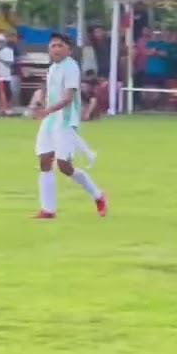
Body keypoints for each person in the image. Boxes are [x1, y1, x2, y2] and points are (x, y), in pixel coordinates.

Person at [32, 33, 107, 220]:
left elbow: (68, 98)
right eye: (52, 46)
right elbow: (47, 89)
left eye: (59, 46)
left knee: (64, 166)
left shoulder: (71, 67)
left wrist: (47, 109)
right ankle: (47, 209)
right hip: (50, 121)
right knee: (44, 161)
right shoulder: (53, 68)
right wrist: (40, 102)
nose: (55, 49)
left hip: (65, 121)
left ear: (68, 49)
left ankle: (98, 195)